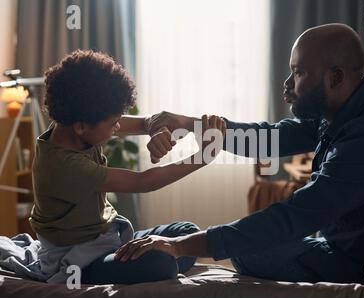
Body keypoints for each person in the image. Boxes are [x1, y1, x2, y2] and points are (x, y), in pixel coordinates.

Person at [115, 24, 364, 285]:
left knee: (249, 249)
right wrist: (185, 124)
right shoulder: (351, 109)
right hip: (356, 247)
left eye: (298, 73)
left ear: (335, 78)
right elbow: (267, 139)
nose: (287, 84)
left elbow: (296, 216)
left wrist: (181, 246)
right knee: (248, 250)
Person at [30, 50, 225, 284]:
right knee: (160, 263)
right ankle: (122, 270)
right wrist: (203, 157)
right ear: (82, 126)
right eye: (113, 123)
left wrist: (157, 127)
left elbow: (144, 122)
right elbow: (144, 182)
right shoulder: (65, 166)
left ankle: (150, 261)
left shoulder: (72, 125)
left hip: (108, 238)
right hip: (80, 258)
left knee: (187, 235)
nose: (118, 127)